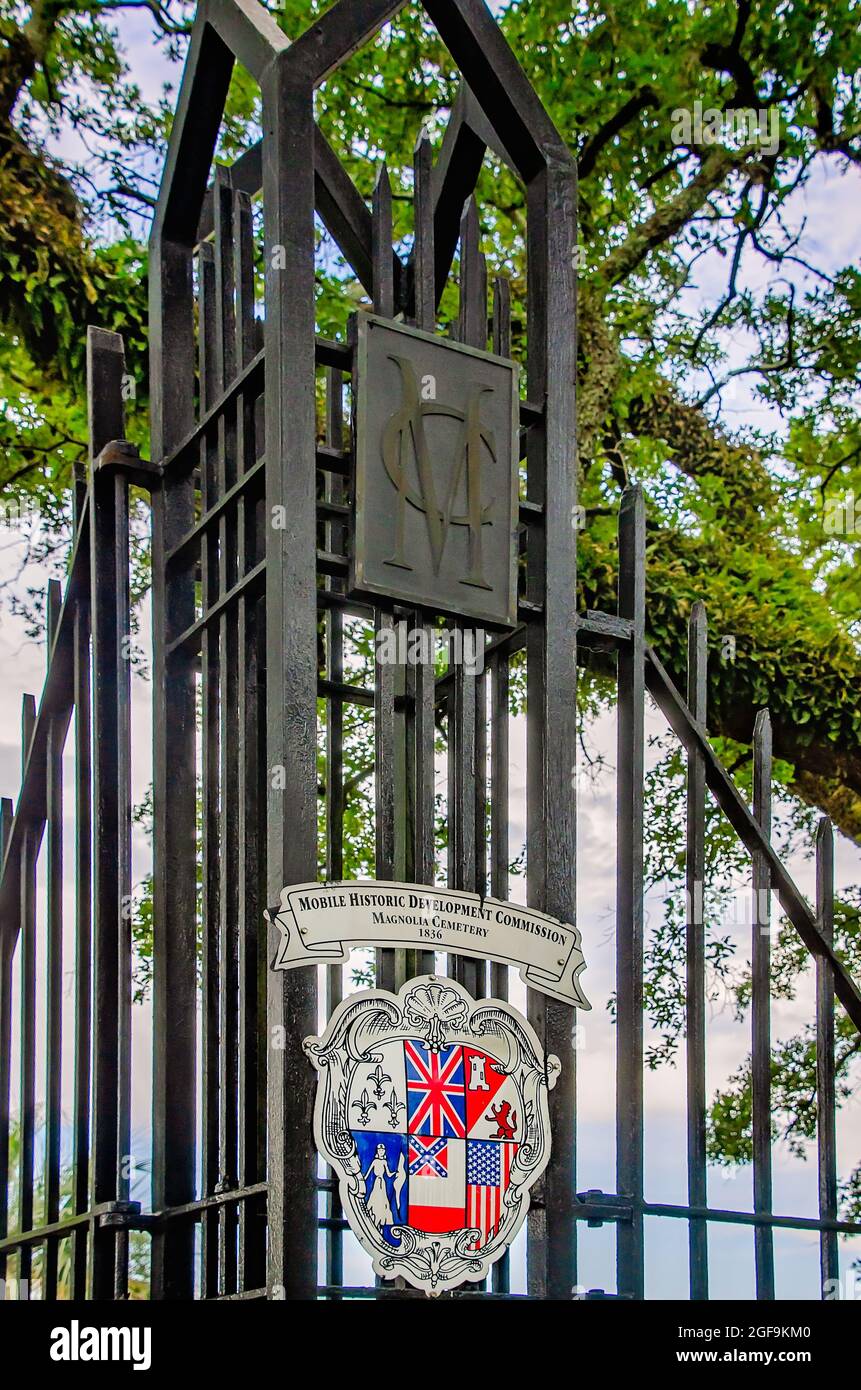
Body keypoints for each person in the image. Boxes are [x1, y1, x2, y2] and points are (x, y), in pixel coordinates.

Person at [363, 1143, 396, 1227]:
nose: (381, 1152)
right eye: (379, 1150)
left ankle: (382, 1217)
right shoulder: (375, 1161)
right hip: (377, 1181)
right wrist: (364, 1178)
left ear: (384, 1152)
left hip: (383, 1182)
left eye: (382, 1150)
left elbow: (388, 1174)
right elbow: (368, 1171)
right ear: (377, 1151)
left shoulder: (384, 1162)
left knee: (383, 1198)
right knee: (375, 1196)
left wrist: (394, 1173)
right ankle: (374, 1214)